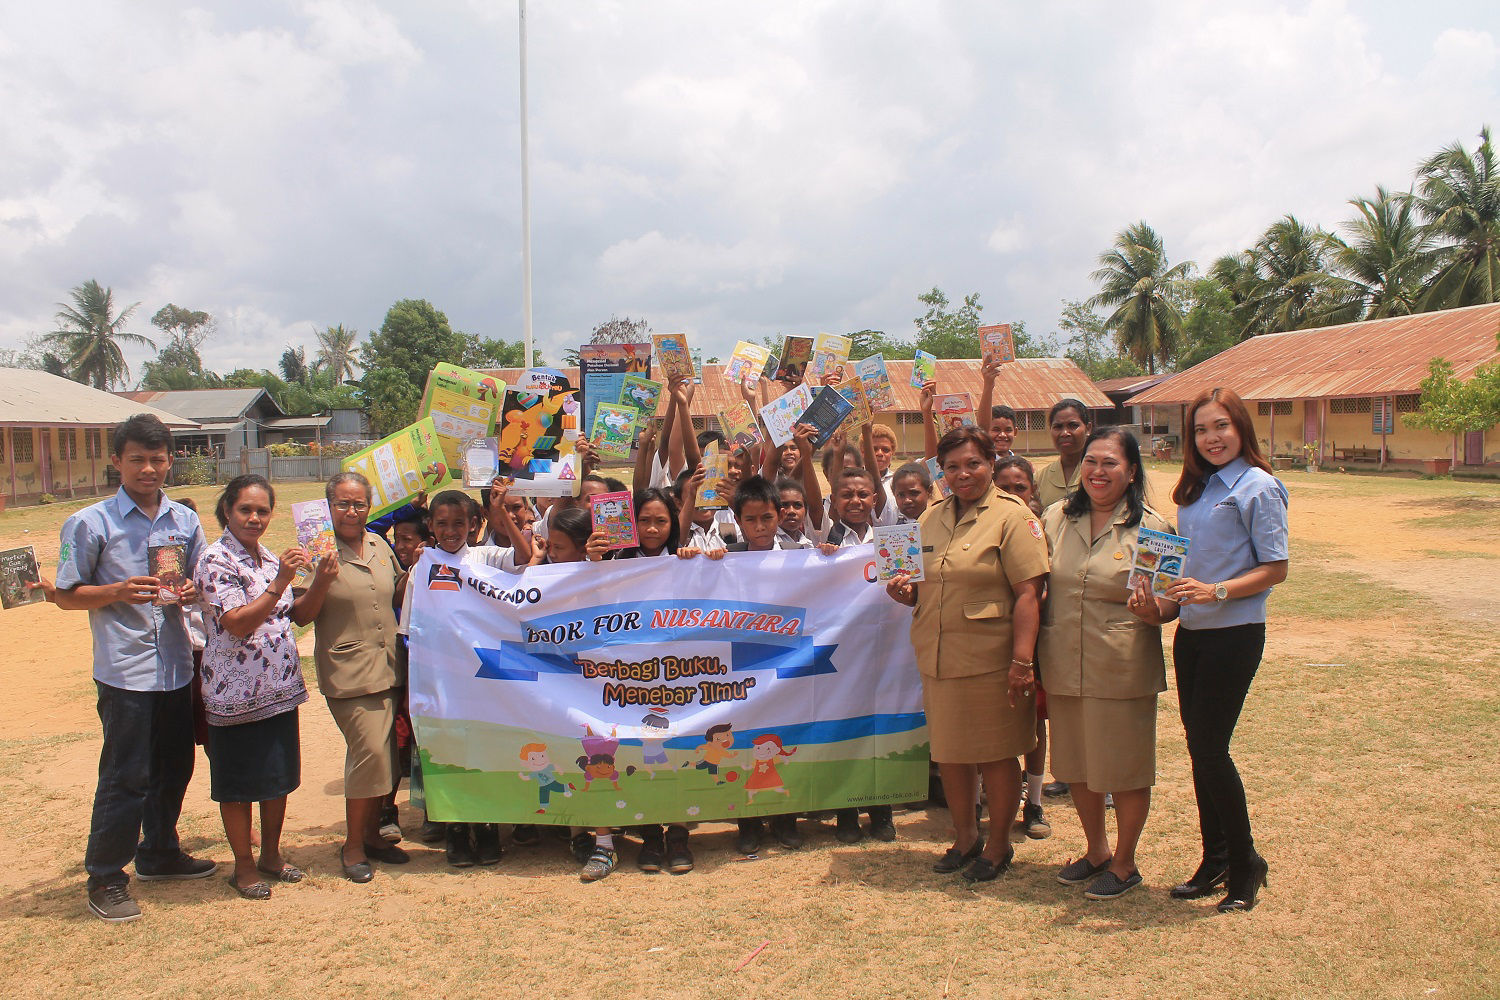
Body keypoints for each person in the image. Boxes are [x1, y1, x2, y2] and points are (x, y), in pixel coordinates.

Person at [52, 414, 216, 922]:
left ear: (170, 462)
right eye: (138, 459)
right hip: (124, 670)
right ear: (117, 461)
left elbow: (198, 579)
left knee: (175, 766)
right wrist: (117, 591)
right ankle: (105, 876)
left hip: (176, 664)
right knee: (126, 775)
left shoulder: (184, 522)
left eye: (158, 459)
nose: (149, 469)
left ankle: (159, 851)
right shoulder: (90, 523)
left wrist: (190, 588)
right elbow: (63, 594)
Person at [885, 426, 1049, 882]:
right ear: (942, 471)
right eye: (952, 466)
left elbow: (1030, 594)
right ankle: (964, 836)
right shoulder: (929, 518)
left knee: (996, 755)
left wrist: (1022, 661)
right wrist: (903, 594)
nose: (963, 474)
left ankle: (998, 845)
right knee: (952, 754)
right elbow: (921, 591)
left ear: (991, 464)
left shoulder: (1014, 517)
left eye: (973, 463)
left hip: (992, 659)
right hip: (938, 656)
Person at [1038, 429, 1178, 899]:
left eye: (1111, 463)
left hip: (1120, 664)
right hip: (1063, 660)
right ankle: (1096, 850)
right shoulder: (1055, 517)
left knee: (1124, 767)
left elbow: (1170, 602)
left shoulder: (1154, 529)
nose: (1098, 472)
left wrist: (1153, 611)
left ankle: (1124, 861)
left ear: (1132, 471)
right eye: (1091, 462)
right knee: (1076, 765)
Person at [1165, 388, 1289, 913]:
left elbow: (1276, 567)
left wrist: (1217, 590)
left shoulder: (1259, 488)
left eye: (1221, 427)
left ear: (1241, 428)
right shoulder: (1195, 490)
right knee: (1199, 746)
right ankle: (1214, 858)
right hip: (1192, 632)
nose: (1211, 438)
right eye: (1200, 429)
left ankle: (1245, 864)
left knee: (1212, 749)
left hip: (1235, 631)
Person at [195, 475, 325, 900]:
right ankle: (244, 866)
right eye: (245, 510)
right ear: (227, 512)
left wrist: (322, 578)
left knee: (277, 778)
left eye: (262, 510)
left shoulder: (267, 557)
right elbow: (237, 623)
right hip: (234, 695)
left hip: (279, 689)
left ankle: (271, 856)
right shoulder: (215, 560)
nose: (254, 518)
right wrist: (282, 581)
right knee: (237, 786)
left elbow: (298, 616)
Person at [291, 472, 411, 882]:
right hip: (350, 671)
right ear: (328, 507)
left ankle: (374, 838)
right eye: (342, 503)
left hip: (391, 665)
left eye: (359, 503)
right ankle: (353, 846)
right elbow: (301, 616)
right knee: (370, 756)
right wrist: (322, 579)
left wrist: (414, 573)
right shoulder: (318, 551)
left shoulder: (379, 545)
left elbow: (395, 594)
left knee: (390, 758)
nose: (351, 511)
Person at [396, 488, 517, 867]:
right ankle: (455, 831)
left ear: (474, 525)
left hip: (482, 679)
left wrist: (501, 513)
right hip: (441, 681)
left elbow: (526, 560)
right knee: (447, 755)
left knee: (483, 751)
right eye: (442, 524)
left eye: (459, 524)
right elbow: (410, 631)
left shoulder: (485, 557)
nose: (451, 531)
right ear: (430, 526)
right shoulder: (423, 567)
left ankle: (486, 829)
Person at [993, 454, 1052, 838]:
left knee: (1033, 721)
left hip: (1034, 640)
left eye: (1021, 487)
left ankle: (1034, 802)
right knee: (995, 720)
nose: (1014, 494)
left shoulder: (1042, 527)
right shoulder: (983, 525)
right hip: (992, 637)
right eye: (1006, 488)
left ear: (1033, 491)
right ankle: (999, 798)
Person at [1037, 398, 1092, 509]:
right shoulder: (1039, 478)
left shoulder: (1097, 474)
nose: (1065, 433)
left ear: (1088, 428)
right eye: (1058, 427)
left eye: (1073, 425)